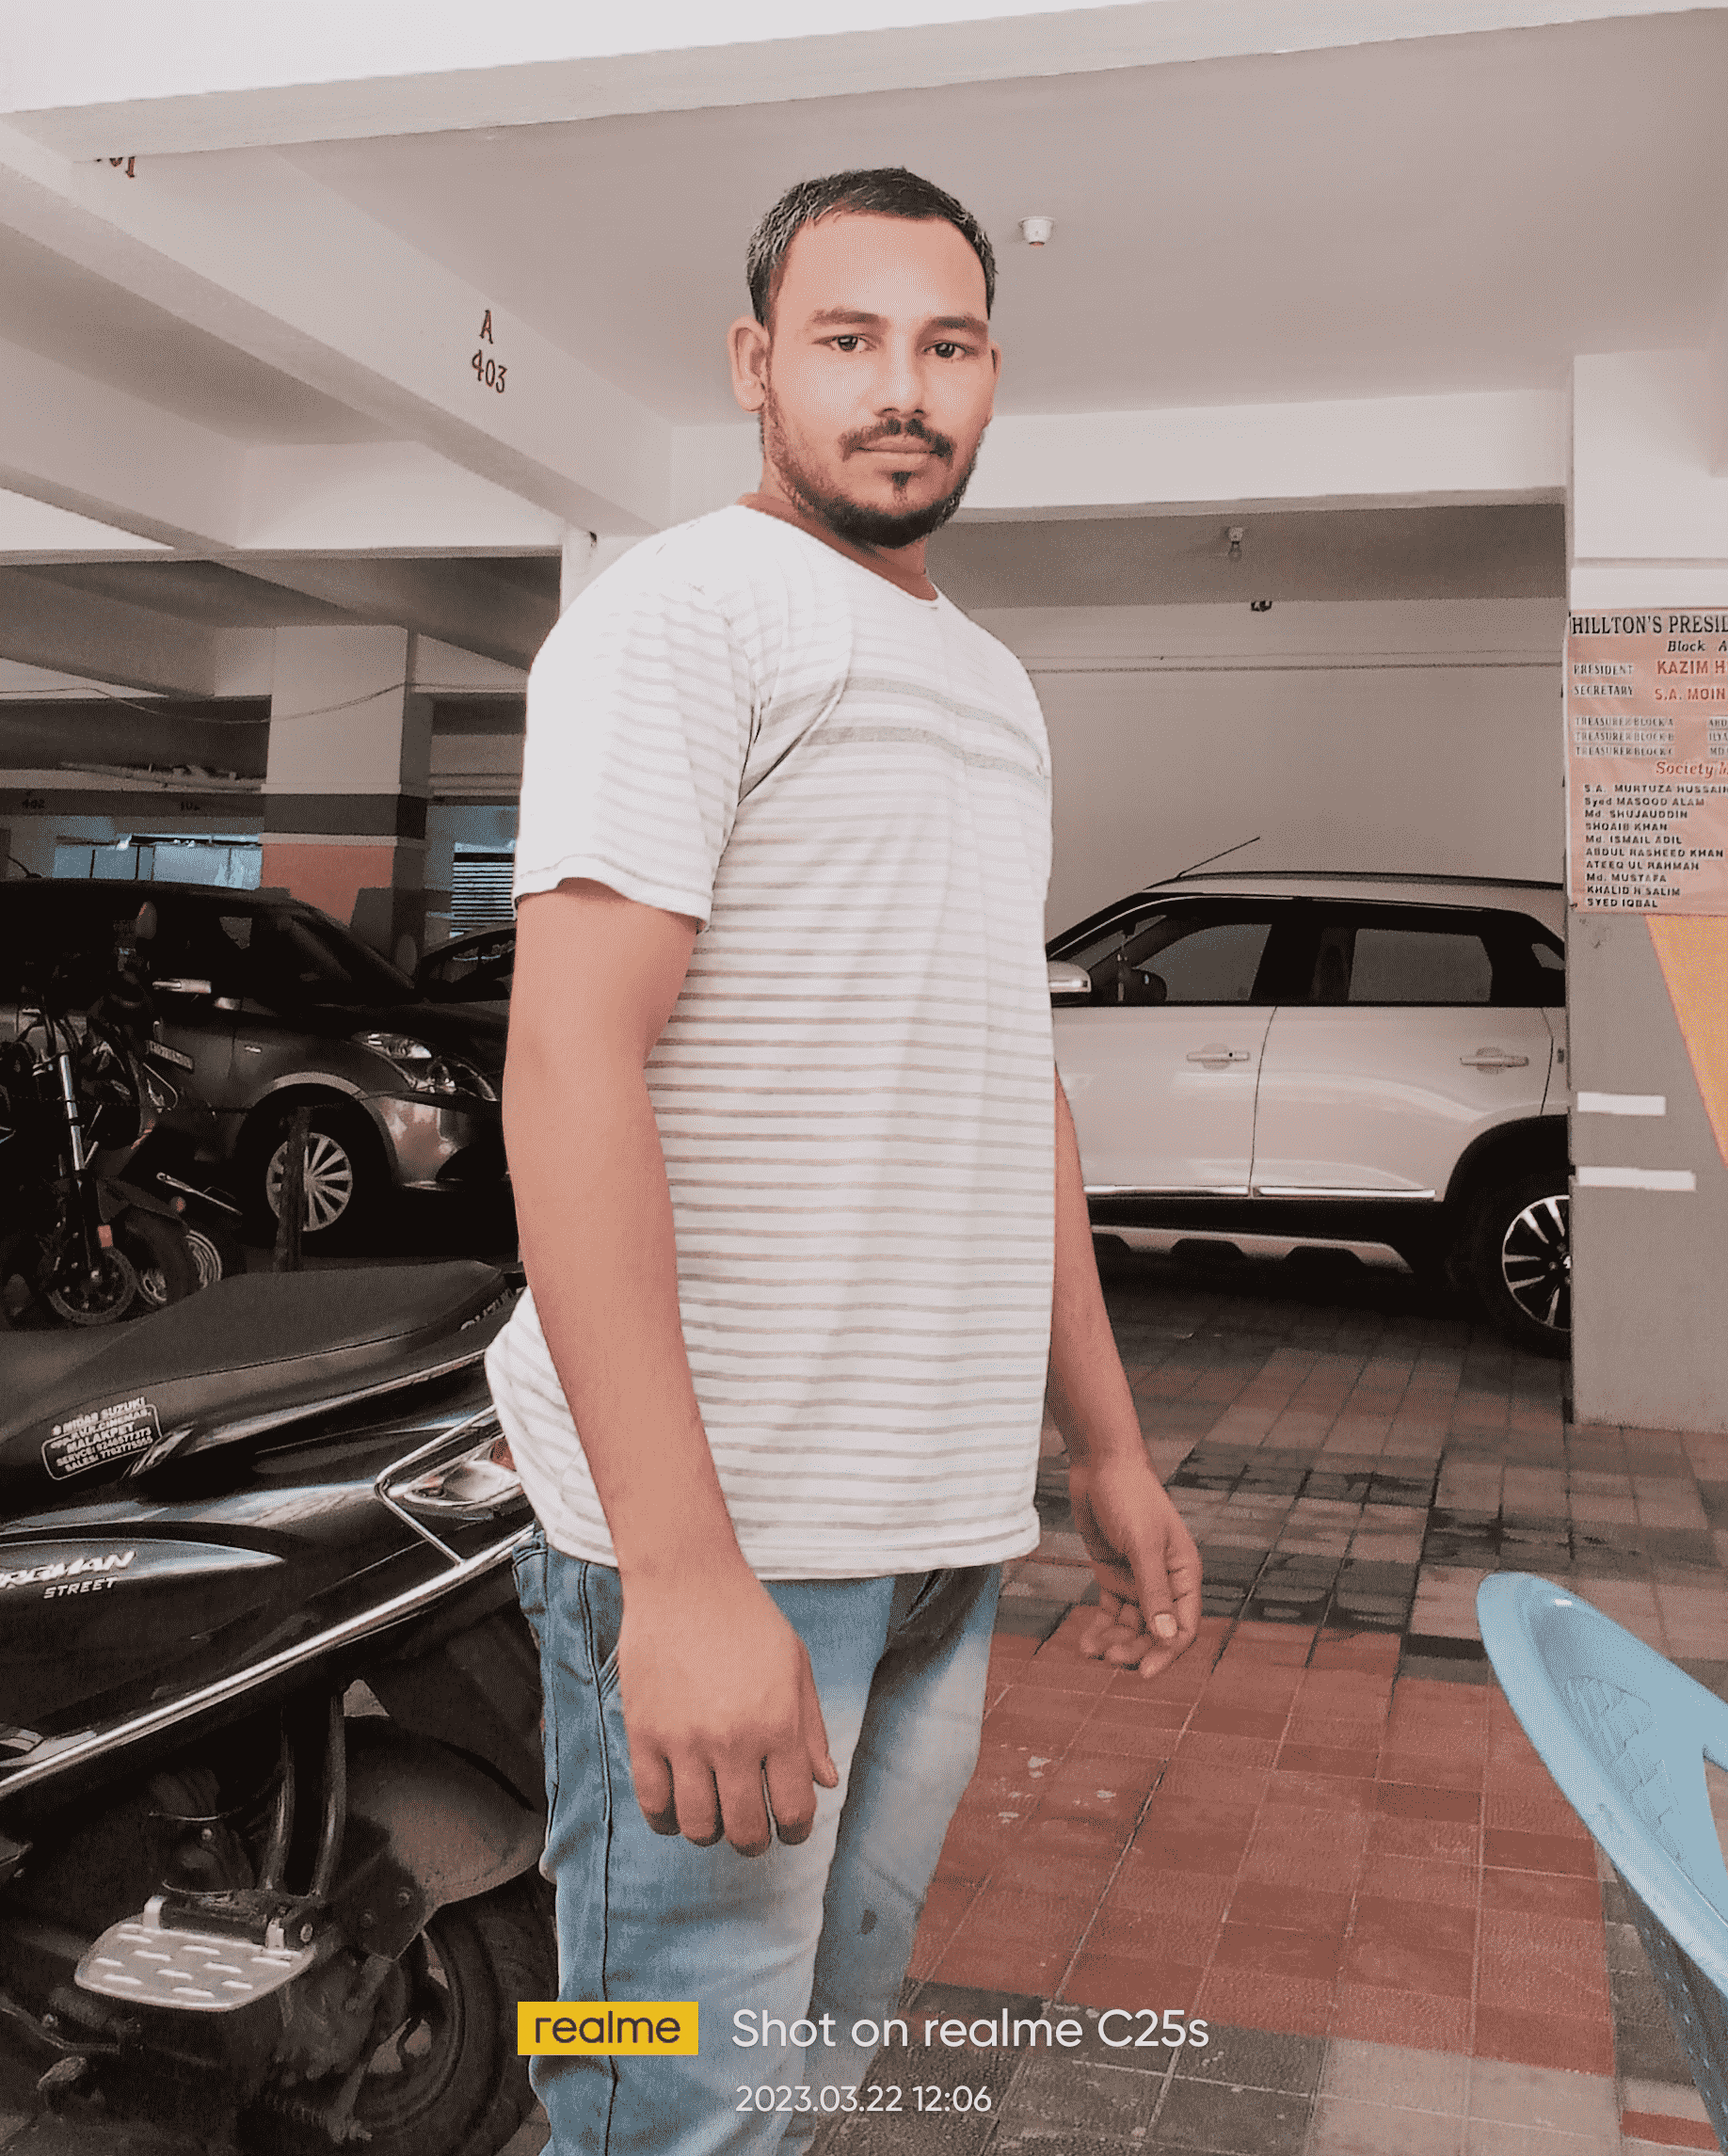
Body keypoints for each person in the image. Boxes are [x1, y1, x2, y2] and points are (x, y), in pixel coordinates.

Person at [487, 166, 1202, 2155]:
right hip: (729, 1531)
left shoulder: (994, 685)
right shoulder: (678, 616)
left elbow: (1007, 1084)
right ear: (755, 364)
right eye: (849, 338)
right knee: (663, 2101)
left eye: (947, 343)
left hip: (936, 1533)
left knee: (806, 2071)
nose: (904, 387)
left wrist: (1106, 1444)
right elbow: (566, 1065)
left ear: (991, 375)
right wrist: (680, 1574)